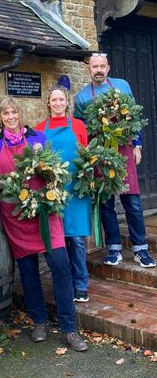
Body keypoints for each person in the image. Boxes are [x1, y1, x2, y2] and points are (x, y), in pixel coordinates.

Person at [0, 96, 88, 352]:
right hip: (16, 217)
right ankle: (39, 321)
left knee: (61, 268)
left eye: (14, 112)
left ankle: (69, 328)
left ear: (20, 114)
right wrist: (1, 183)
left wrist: (48, 174)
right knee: (28, 273)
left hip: (44, 212)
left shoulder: (37, 139)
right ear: (0, 117)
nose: (10, 117)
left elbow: (52, 168)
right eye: (5, 113)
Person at [74, 53, 155, 268]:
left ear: (108, 68)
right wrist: (86, 153)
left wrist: (137, 144)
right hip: (99, 152)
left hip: (124, 148)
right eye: (94, 67)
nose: (98, 70)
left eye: (102, 66)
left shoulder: (122, 86)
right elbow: (81, 128)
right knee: (106, 203)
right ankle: (114, 249)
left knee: (133, 202)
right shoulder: (82, 97)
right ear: (88, 70)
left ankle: (140, 250)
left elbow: (134, 117)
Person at [35, 85, 92, 303]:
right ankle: (63, 282)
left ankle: (81, 283)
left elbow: (86, 155)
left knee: (77, 239)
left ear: (67, 102)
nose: (58, 103)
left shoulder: (78, 126)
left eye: (61, 100)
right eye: (54, 100)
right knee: (55, 241)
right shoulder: (40, 129)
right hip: (53, 190)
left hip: (76, 190)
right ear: (48, 103)